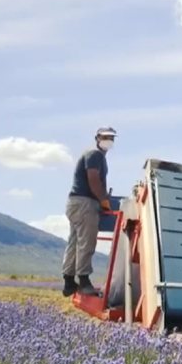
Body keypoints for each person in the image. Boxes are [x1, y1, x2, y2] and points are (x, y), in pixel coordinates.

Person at [62, 127, 116, 296]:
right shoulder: (95, 155)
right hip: (85, 203)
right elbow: (93, 179)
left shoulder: (94, 155)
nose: (109, 140)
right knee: (87, 242)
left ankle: (69, 281)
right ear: (97, 138)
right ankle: (84, 281)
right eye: (105, 137)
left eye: (111, 137)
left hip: (75, 202)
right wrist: (104, 200)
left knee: (75, 242)